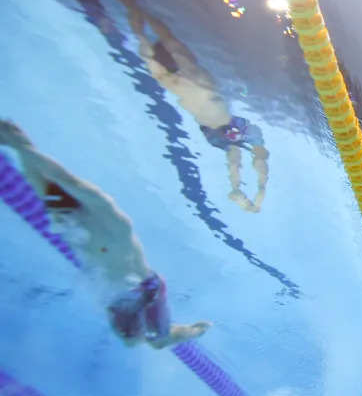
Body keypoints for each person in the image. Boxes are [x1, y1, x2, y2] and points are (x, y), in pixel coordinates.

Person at [0, 120, 210, 348]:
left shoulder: (111, 221)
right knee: (44, 185)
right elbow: (52, 181)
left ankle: (193, 331)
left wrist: (23, 147)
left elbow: (68, 182)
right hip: (121, 290)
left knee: (153, 342)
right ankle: (17, 140)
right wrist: (21, 146)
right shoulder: (70, 216)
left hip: (143, 293)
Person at [109, 0, 269, 213]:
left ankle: (245, 191)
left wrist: (131, 5)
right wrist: (135, 7)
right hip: (210, 112)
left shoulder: (170, 76)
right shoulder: (181, 71)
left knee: (239, 151)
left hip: (210, 113)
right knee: (246, 150)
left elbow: (150, 40)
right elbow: (159, 37)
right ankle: (249, 192)